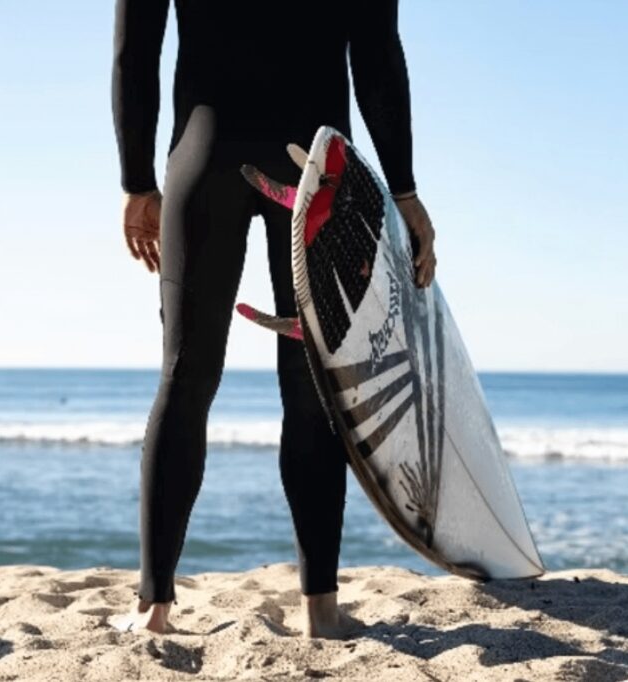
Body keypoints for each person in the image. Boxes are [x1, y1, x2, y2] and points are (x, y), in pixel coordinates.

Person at [107, 0, 436, 638]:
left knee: (185, 375)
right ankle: (321, 610)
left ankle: (154, 610)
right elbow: (377, 54)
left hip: (206, 157)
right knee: (315, 389)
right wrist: (403, 188)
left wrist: (136, 181)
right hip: (318, 167)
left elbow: (133, 52)